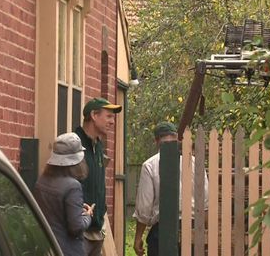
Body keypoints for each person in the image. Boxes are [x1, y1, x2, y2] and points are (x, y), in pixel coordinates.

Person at [133, 122, 208, 256]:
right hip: (192, 229)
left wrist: (138, 237)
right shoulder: (195, 163)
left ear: (156, 140)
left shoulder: (150, 165)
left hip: (162, 231)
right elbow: (205, 201)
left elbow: (144, 207)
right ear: (177, 139)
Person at [75, 97, 122, 256]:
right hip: (79, 230)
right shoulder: (75, 144)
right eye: (108, 116)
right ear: (94, 115)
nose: (112, 121)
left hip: (97, 228)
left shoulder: (98, 146)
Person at [33, 132, 94, 256]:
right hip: (67, 250)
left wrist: (76, 209)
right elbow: (76, 227)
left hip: (46, 248)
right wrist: (87, 216)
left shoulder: (42, 180)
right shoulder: (73, 186)